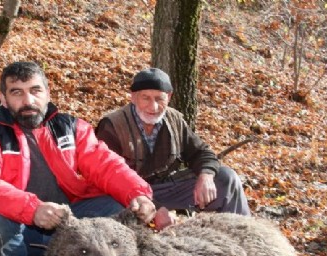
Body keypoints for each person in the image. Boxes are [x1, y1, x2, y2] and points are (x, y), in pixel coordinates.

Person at [0, 61, 156, 256]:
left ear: (48, 92)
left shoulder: (69, 127)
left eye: (35, 90)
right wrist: (31, 208)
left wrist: (137, 192)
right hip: (20, 233)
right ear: (3, 98)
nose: (28, 100)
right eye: (17, 92)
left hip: (72, 226)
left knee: (121, 208)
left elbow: (105, 164)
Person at [96, 67, 251, 228]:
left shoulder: (174, 119)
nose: (153, 106)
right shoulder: (113, 125)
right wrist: (156, 208)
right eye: (145, 98)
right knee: (110, 204)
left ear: (168, 97)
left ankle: (245, 236)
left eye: (159, 99)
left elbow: (201, 152)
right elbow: (110, 177)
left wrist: (206, 175)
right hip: (129, 194)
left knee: (226, 178)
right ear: (133, 97)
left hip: (169, 188)